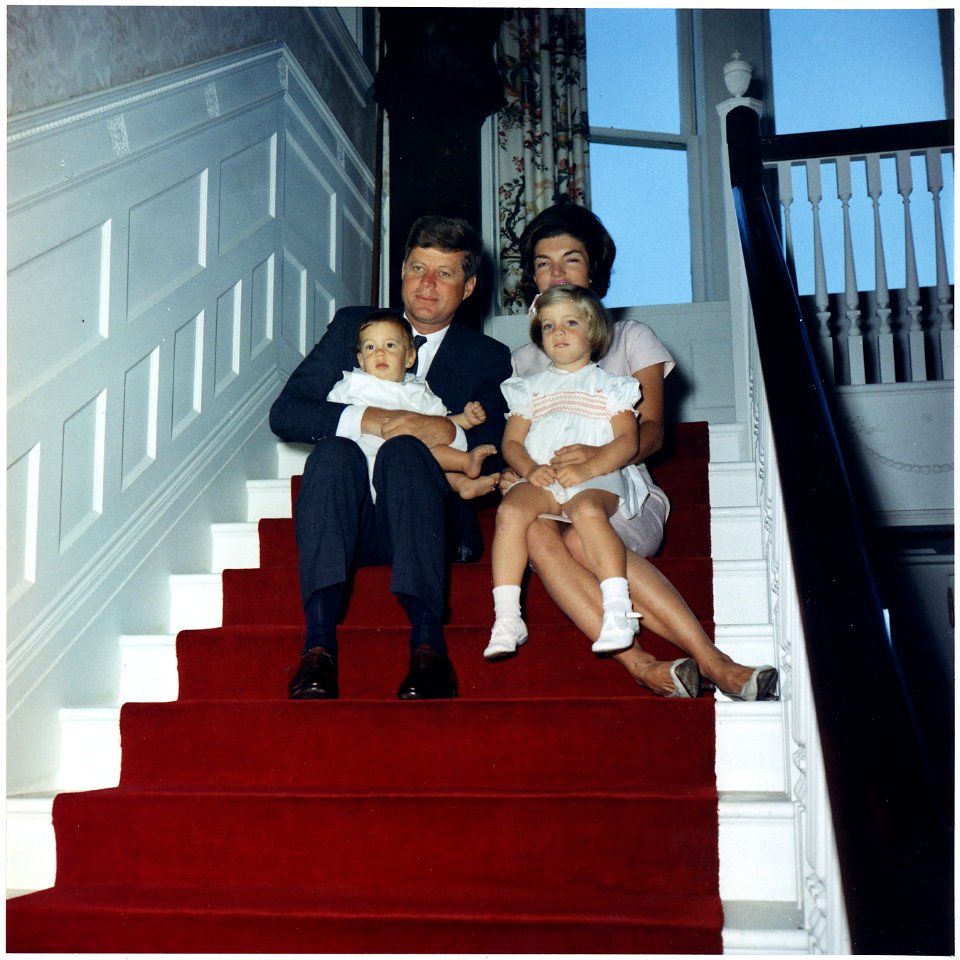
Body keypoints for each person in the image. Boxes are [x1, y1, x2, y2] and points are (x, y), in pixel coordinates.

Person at [507, 203, 778, 700]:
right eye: (544, 263)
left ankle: (713, 661)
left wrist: (598, 455)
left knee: (575, 539)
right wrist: (520, 469)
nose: (557, 273)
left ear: (594, 270)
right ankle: (641, 664)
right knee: (538, 533)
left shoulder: (632, 338)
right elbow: (522, 441)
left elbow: (653, 432)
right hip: (554, 495)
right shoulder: (525, 358)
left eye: (571, 259)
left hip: (621, 490)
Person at [270, 215, 512, 701]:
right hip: (351, 518)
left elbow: (492, 448)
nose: (426, 284)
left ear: (467, 288)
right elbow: (288, 412)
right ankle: (317, 650)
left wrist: (442, 428)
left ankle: (428, 650)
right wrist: (370, 418)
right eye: (418, 268)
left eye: (444, 274)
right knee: (333, 453)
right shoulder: (353, 327)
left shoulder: (488, 354)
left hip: (424, 518)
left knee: (403, 451)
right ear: (401, 271)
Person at [488, 285, 672, 669]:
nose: (558, 332)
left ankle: (618, 609)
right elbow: (512, 443)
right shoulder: (530, 389)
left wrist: (589, 468)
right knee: (510, 512)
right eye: (549, 325)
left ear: (594, 332)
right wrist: (529, 469)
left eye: (570, 323)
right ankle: (507, 617)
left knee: (588, 512)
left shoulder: (611, 386)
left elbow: (627, 440)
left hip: (594, 477)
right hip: (545, 476)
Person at [327, 311, 499, 500]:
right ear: (360, 360)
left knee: (428, 453)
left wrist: (465, 419)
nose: (380, 353)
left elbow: (440, 424)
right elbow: (331, 419)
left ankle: (464, 473)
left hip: (408, 473)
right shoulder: (352, 384)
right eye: (370, 347)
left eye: (390, 345)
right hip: (363, 465)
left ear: (410, 357)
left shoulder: (418, 391)